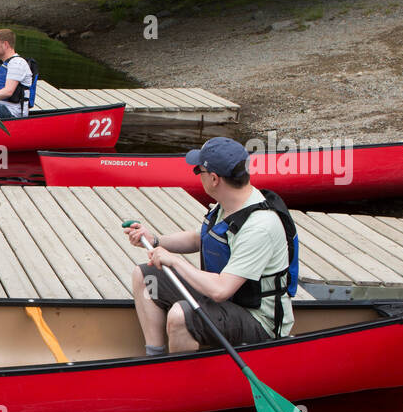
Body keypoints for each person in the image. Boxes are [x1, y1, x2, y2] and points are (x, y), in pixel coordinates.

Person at [123, 136, 298, 355]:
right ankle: (155, 357)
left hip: (258, 321)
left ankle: (178, 380)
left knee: (181, 316)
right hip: (227, 301)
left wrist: (175, 261)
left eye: (199, 171)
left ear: (214, 179)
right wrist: (155, 240)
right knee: (145, 276)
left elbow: (220, 290)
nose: (197, 175)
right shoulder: (231, 203)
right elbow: (200, 238)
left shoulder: (259, 226)